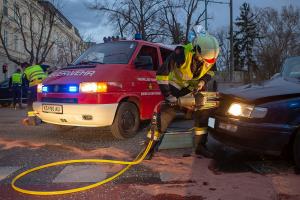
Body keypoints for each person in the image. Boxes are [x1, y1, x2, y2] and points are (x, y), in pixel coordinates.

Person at [148, 32, 220, 157]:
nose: (208, 62)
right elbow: (161, 74)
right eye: (205, 59)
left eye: (210, 60)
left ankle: (200, 146)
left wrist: (202, 81)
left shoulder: (210, 56)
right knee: (166, 114)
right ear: (197, 50)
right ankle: (149, 147)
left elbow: (212, 72)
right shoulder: (181, 53)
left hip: (192, 89)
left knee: (203, 113)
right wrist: (168, 95)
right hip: (174, 87)